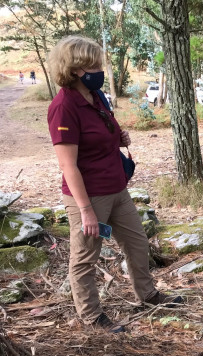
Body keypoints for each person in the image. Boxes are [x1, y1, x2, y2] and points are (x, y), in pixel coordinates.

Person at [47, 35, 182, 333]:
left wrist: (119, 138)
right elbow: (68, 165)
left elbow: (105, 130)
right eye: (91, 65)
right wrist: (85, 210)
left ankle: (148, 295)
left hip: (117, 187)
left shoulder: (97, 97)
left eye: (98, 63)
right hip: (88, 196)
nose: (98, 69)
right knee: (85, 258)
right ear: (73, 68)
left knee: (136, 243)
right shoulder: (63, 107)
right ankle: (92, 318)